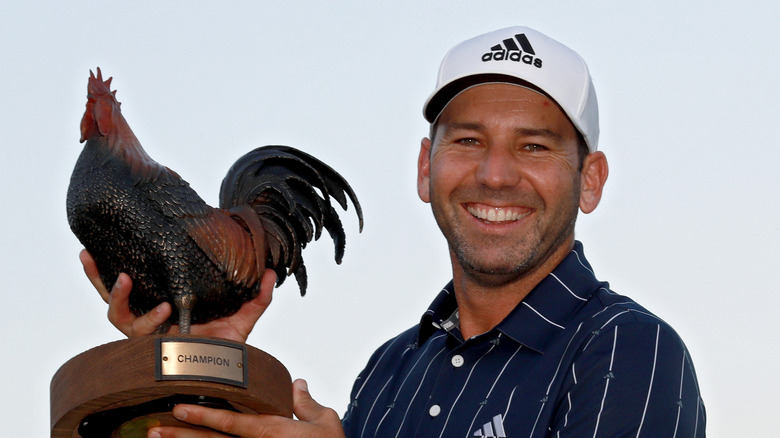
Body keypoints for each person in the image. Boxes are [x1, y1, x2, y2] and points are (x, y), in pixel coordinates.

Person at [82, 26, 706, 437]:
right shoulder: (389, 371)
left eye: (534, 147)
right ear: (425, 169)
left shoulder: (631, 351)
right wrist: (207, 367)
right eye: (467, 141)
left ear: (590, 181)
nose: (494, 174)